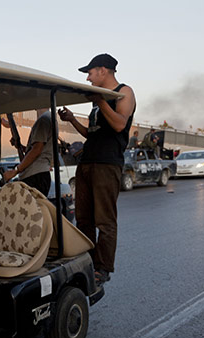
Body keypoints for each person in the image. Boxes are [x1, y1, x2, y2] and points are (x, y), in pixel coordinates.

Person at [58, 53, 136, 287]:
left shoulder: (124, 92)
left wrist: (101, 101)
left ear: (103, 70)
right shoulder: (97, 100)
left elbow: (120, 124)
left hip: (106, 164)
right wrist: (72, 119)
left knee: (105, 220)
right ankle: (87, 261)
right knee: (83, 218)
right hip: (87, 163)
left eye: (90, 73)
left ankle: (103, 267)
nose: (89, 78)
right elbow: (93, 132)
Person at [2, 109, 54, 196]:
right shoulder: (49, 118)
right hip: (39, 175)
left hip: (35, 176)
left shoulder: (43, 120)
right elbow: (38, 149)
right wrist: (21, 147)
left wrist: (16, 170)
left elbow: (37, 150)